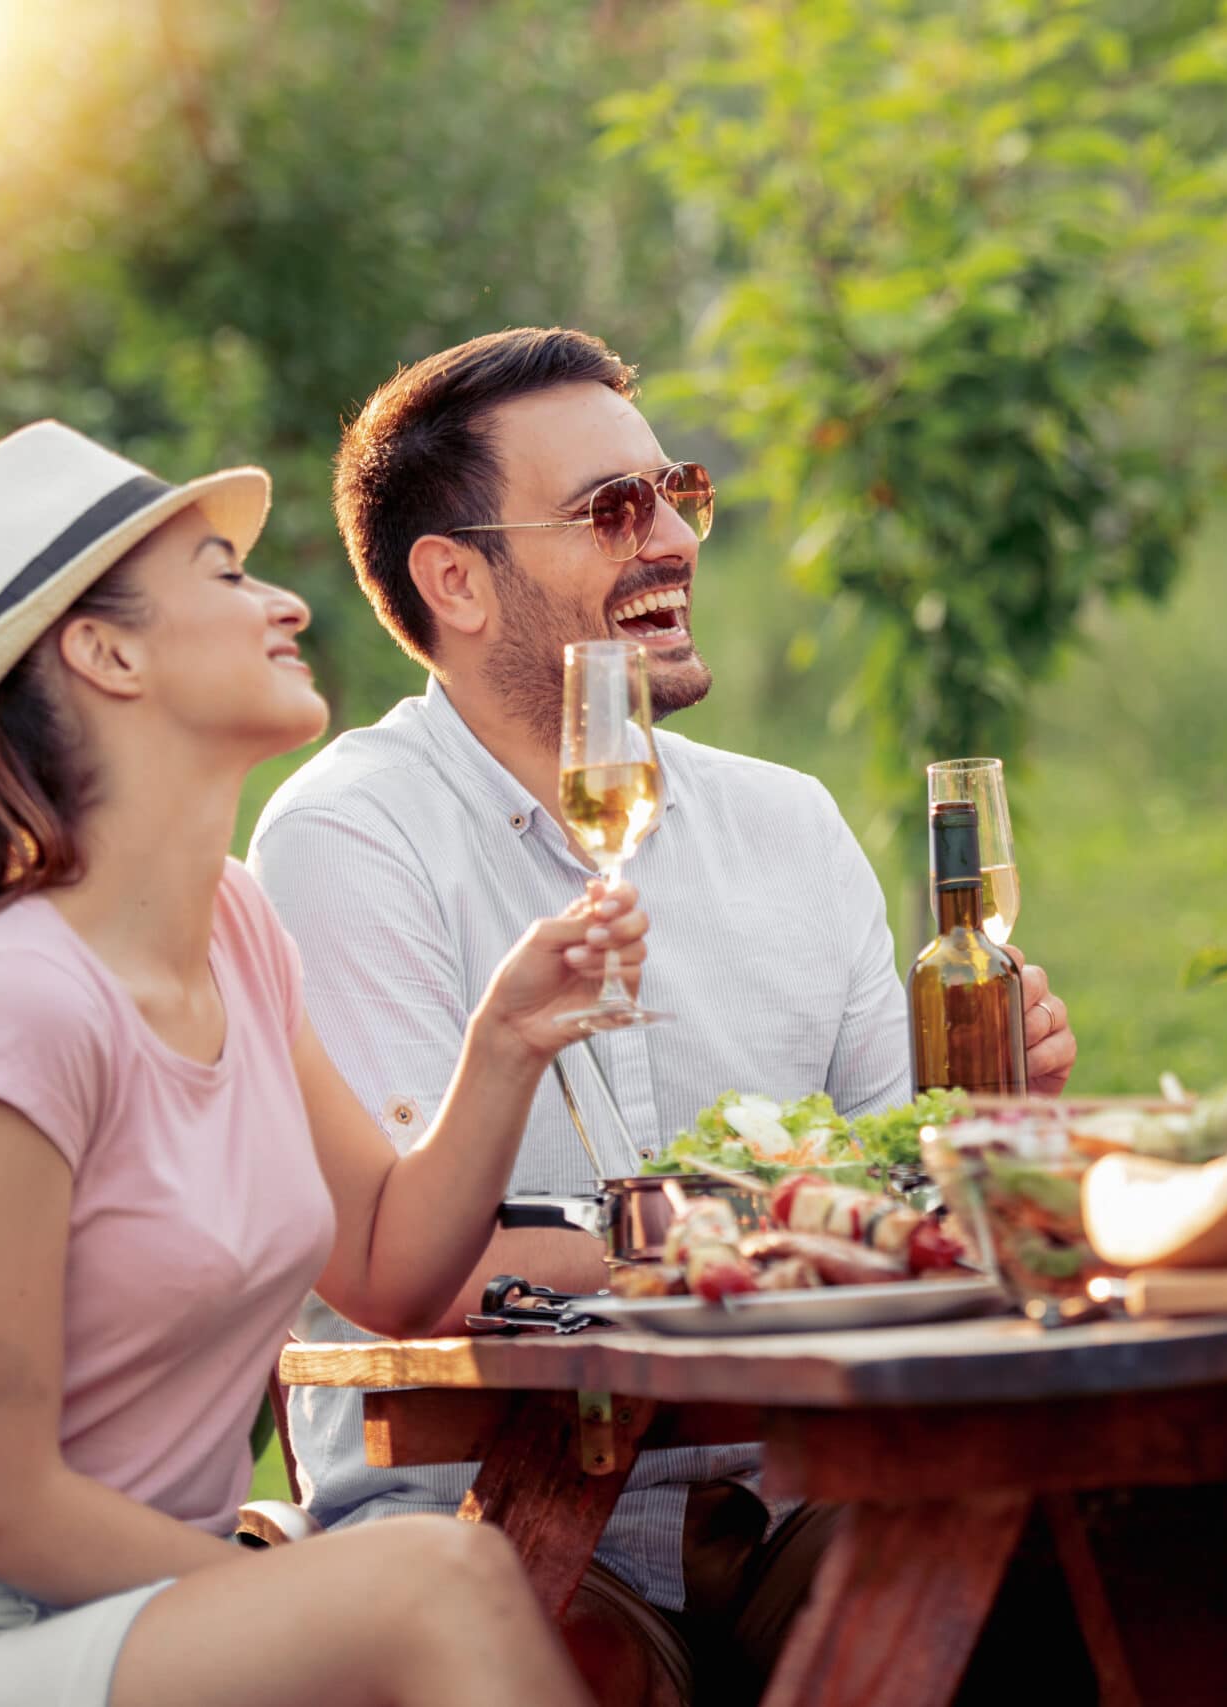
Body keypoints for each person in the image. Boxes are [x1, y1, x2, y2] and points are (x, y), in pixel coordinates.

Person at [247, 327, 1079, 1703]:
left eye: (674, 491)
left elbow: (908, 1207)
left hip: (815, 1493)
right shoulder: (350, 835)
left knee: (1078, 1570)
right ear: (455, 577)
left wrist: (996, 1134)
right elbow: (424, 1270)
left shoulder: (786, 823)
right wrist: (784, 1231)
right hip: (496, 1530)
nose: (673, 538)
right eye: (607, 511)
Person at [0, 422, 642, 1705]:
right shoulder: (15, 999)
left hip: (152, 1610)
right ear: (103, 652)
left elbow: (384, 1260)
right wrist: (295, 1600)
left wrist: (505, 1042)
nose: (283, 601)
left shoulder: (237, 928)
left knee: (443, 1578)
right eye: (222, 573)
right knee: (438, 1580)